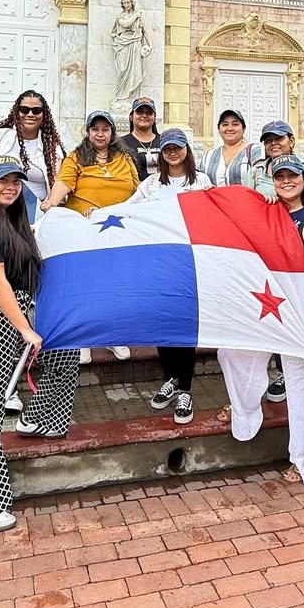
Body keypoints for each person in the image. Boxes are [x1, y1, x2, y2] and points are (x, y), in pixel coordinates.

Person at [0, 155, 80, 532]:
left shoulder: (10, 219)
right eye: (1, 180)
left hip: (5, 321)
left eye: (15, 180)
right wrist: (25, 327)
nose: (9, 186)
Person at [217, 155, 304, 484]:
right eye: (279, 176)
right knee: (231, 353)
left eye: (292, 175)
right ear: (271, 180)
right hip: (265, 311)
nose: (286, 181)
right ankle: (247, 410)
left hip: (302, 314)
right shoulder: (265, 213)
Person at [129, 128, 212, 425]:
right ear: (161, 154)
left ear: (187, 150)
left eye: (178, 148)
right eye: (167, 149)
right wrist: (96, 215)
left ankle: (186, 389)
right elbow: (128, 211)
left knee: (184, 326)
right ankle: (172, 378)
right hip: (159, 263)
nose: (173, 153)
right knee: (162, 323)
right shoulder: (151, 183)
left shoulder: (201, 181)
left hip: (189, 263)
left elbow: (216, 214)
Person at [41, 110, 140, 361]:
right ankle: (83, 338)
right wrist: (51, 201)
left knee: (116, 285)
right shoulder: (76, 157)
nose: (100, 133)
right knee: (87, 284)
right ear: (88, 132)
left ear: (112, 133)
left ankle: (111, 335)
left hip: (120, 231)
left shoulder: (125, 158)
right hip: (86, 231)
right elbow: (64, 182)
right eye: (95, 129)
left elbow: (138, 190)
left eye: (105, 129)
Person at [247, 119, 304, 403]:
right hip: (269, 261)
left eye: (278, 138)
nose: (273, 144)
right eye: (268, 140)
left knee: (298, 311)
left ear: (291, 139)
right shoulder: (254, 173)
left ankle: (289, 373)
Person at [0, 90, 67, 207]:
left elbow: (57, 183)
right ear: (17, 112)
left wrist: (50, 205)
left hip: (37, 213)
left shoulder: (52, 146)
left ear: (43, 115)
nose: (30, 114)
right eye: (24, 110)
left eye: (36, 111)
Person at [203, 108, 262, 188]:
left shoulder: (255, 151)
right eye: (225, 124)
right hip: (216, 200)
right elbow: (200, 181)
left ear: (243, 129)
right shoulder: (209, 156)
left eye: (235, 124)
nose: (229, 128)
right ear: (219, 129)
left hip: (246, 199)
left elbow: (263, 181)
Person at [121, 96, 161, 181]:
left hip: (162, 191)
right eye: (139, 112)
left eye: (149, 112)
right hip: (135, 192)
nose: (144, 115)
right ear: (131, 116)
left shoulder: (163, 141)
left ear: (154, 117)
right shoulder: (121, 143)